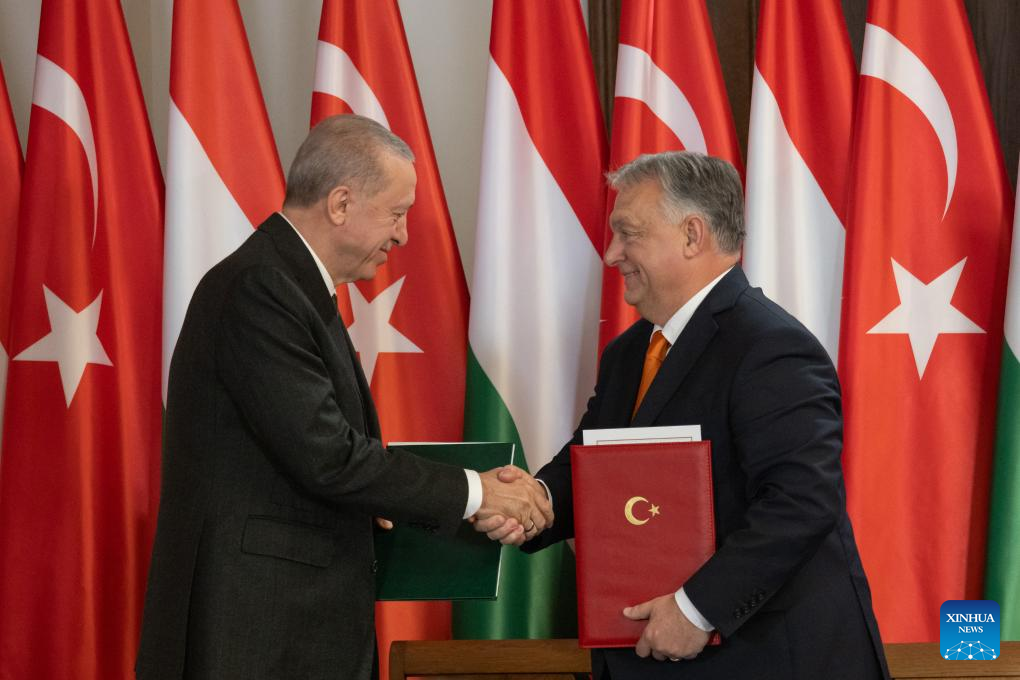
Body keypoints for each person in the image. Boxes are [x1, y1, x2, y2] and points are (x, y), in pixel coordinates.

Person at [136, 114, 551, 680]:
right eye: (396, 213)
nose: (403, 235)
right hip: (255, 629)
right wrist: (477, 491)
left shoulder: (291, 286)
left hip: (291, 624)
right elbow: (328, 457)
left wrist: (419, 496)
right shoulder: (262, 287)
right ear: (340, 204)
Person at [481, 151, 890, 679]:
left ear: (692, 235)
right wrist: (532, 501)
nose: (611, 254)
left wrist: (698, 609)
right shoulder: (629, 353)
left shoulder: (770, 345)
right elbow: (595, 466)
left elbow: (802, 500)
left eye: (628, 234)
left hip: (765, 659)